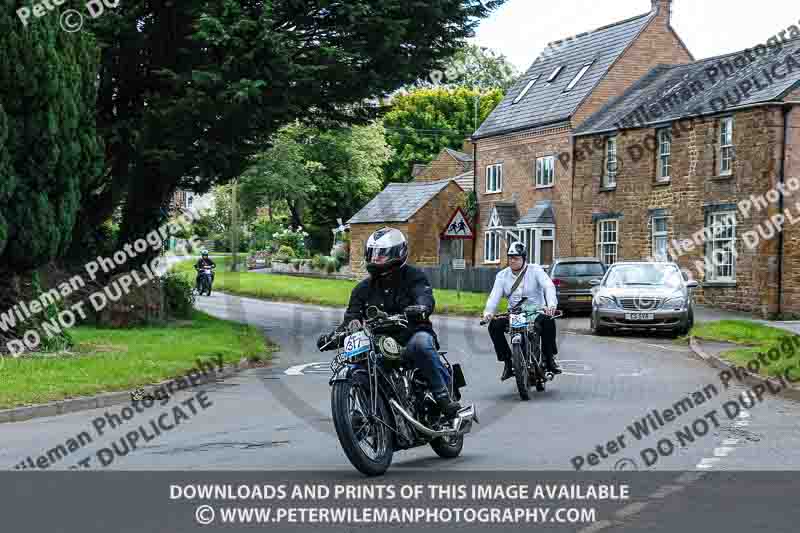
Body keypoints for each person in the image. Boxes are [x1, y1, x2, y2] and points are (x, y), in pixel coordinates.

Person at [317, 227, 461, 418]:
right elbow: (352, 318)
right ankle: (372, 415)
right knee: (362, 362)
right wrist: (336, 335)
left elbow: (423, 295)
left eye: (381, 255)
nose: (375, 259)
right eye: (373, 254)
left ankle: (444, 398)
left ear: (397, 253)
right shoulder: (362, 289)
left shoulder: (413, 276)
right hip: (378, 342)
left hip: (410, 335)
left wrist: (421, 307)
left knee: (421, 344)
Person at [482, 242, 561, 381]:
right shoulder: (502, 275)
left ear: (524, 259)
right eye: (510, 257)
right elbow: (494, 295)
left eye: (516, 258)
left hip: (536, 311)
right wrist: (488, 312)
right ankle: (507, 362)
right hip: (515, 314)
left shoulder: (535, 270)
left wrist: (551, 305)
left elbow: (548, 286)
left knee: (549, 321)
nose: (512, 260)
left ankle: (549, 359)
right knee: (494, 326)